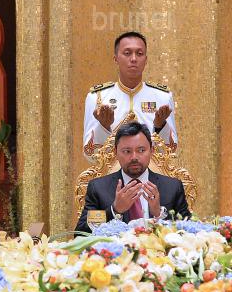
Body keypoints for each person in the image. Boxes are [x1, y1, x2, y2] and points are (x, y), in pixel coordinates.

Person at [75, 122, 190, 233]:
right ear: (115, 153)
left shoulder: (172, 187)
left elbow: (190, 232)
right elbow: (81, 233)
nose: (134, 157)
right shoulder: (98, 188)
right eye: (127, 151)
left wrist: (159, 214)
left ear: (152, 151)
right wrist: (114, 210)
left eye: (141, 150)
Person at [83, 31, 178, 159]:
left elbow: (172, 152)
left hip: (150, 171)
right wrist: (103, 127)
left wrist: (160, 127)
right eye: (127, 53)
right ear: (116, 58)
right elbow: (90, 154)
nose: (133, 59)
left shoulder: (163, 97)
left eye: (139, 53)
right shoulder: (97, 97)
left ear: (146, 60)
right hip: (112, 172)